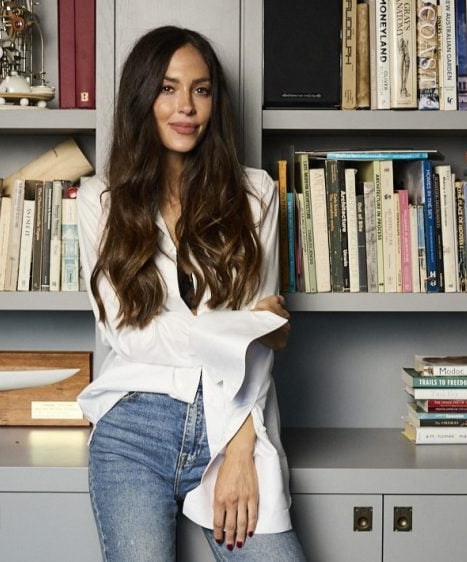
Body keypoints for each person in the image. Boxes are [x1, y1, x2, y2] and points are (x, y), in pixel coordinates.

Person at [77, 26, 306, 561]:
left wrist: (241, 448)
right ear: (142, 99)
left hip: (232, 420)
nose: (186, 107)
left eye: (200, 90)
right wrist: (245, 328)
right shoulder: (100, 201)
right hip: (133, 425)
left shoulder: (255, 195)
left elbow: (258, 353)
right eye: (167, 88)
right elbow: (131, 335)